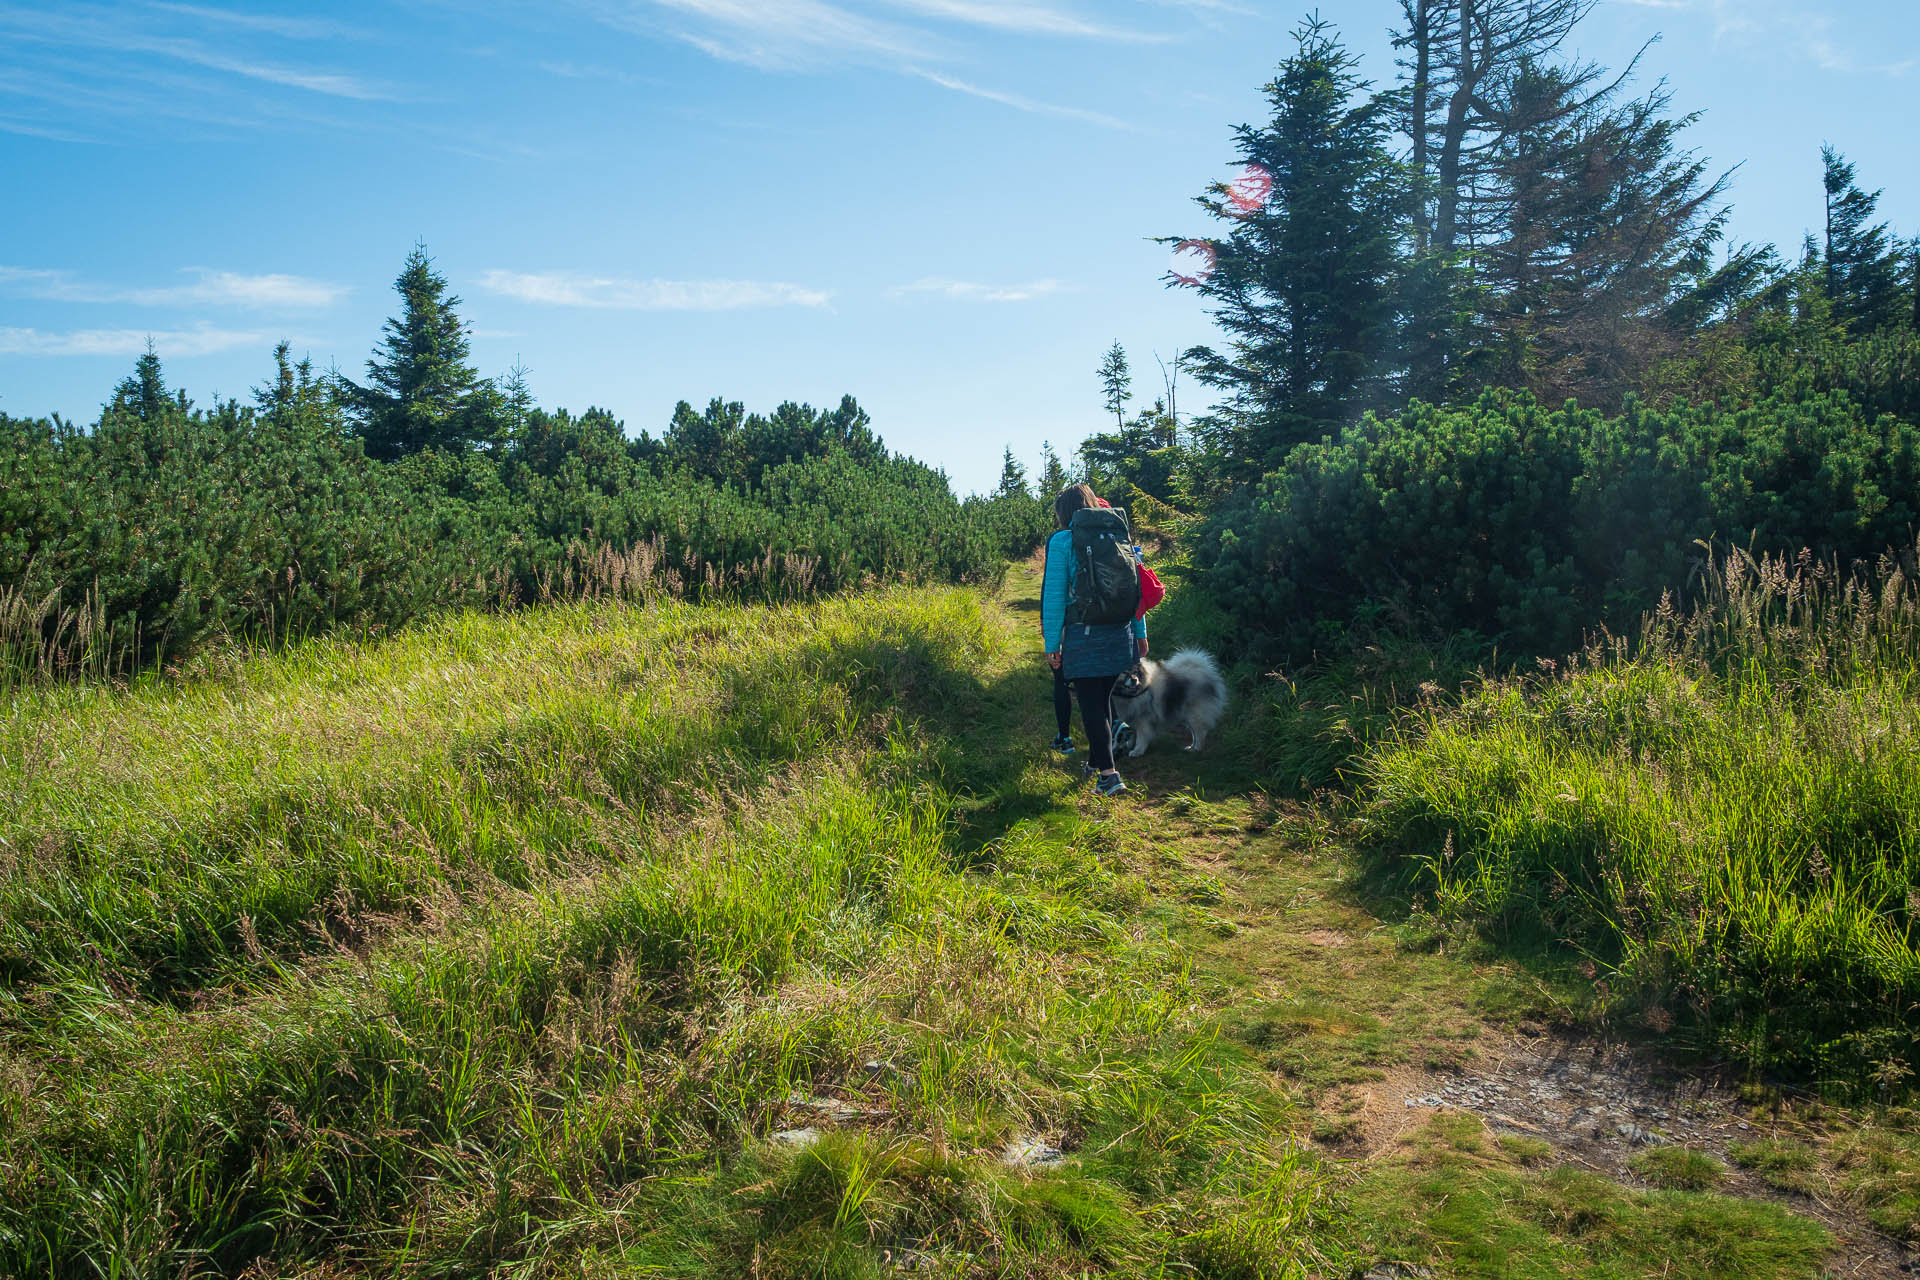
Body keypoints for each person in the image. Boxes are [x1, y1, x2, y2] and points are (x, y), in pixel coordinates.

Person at [1041, 483, 1147, 796]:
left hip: (1084, 634)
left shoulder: (1063, 541)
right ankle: (1094, 762)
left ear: (1063, 513)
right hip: (1120, 631)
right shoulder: (1119, 533)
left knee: (1091, 704)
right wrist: (1140, 635)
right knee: (1103, 700)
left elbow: (1055, 596)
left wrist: (1052, 644)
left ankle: (1108, 776)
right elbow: (1136, 587)